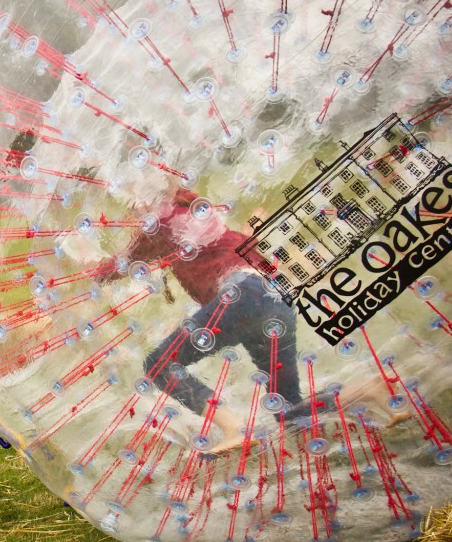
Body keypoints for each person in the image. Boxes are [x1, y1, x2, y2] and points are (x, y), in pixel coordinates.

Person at [107, 189, 329, 453]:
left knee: (159, 364)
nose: (132, 214)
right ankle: (367, 390)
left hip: (242, 294)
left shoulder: (162, 219)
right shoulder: (207, 224)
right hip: (275, 300)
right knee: (290, 412)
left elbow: (120, 266)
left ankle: (235, 429)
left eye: (133, 207)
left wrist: (80, 272)